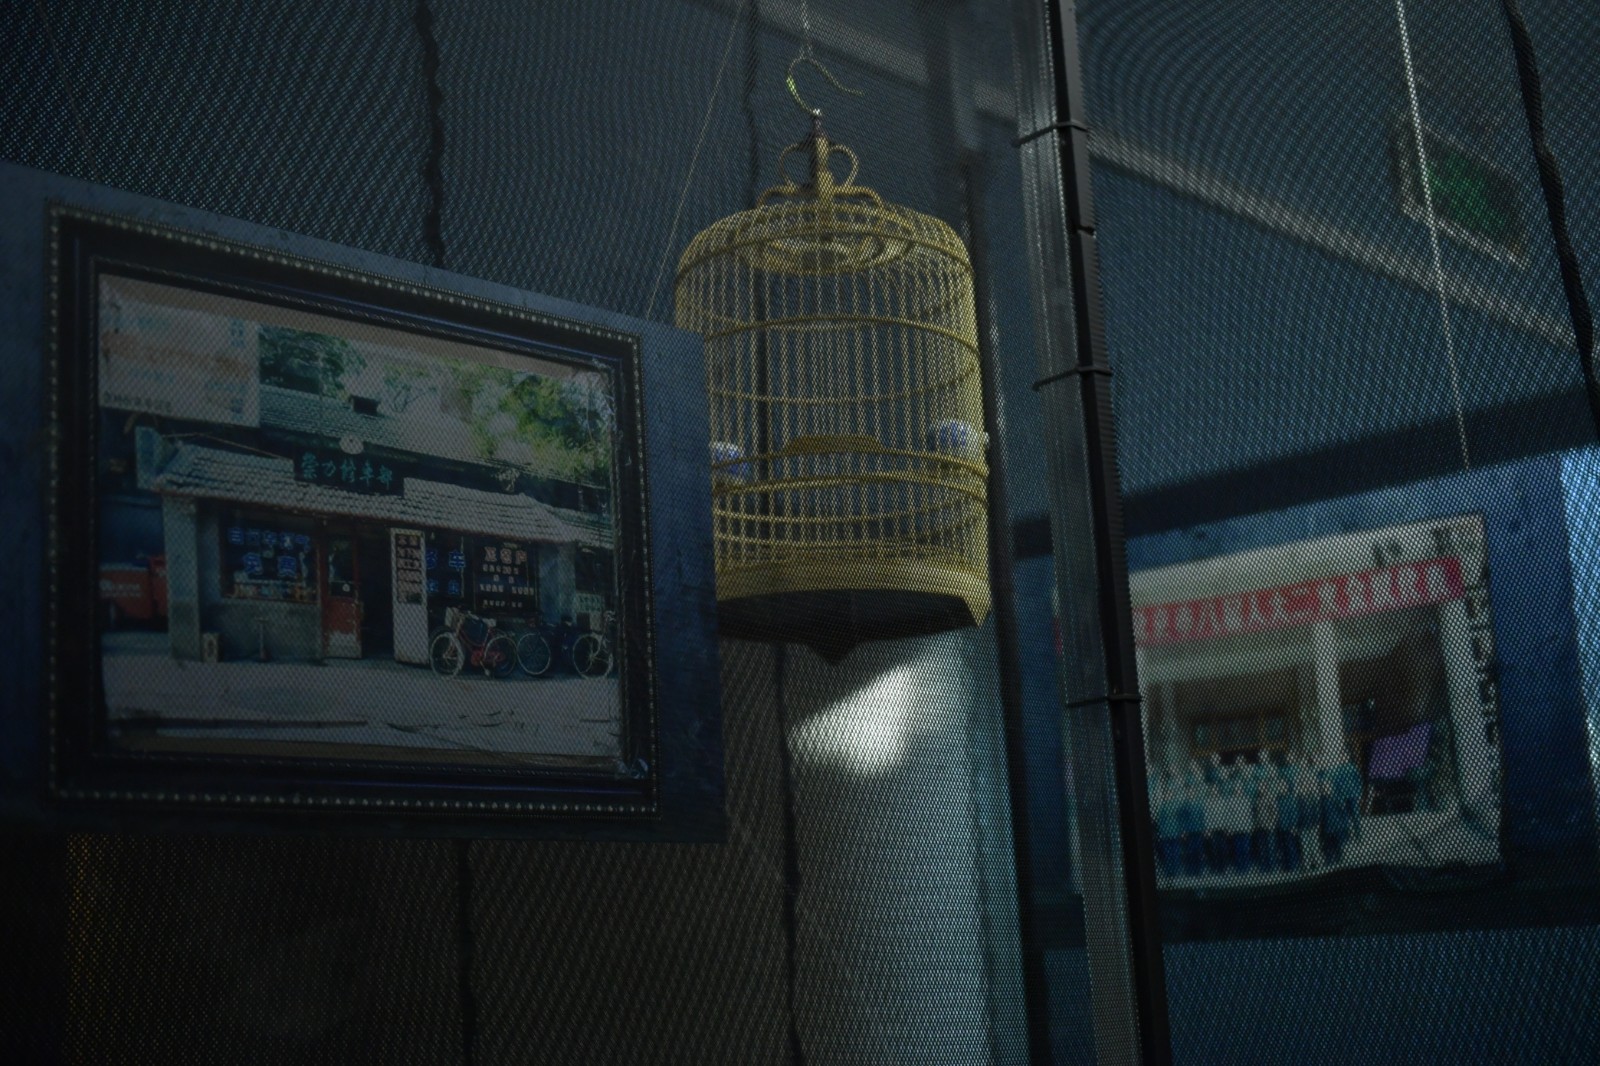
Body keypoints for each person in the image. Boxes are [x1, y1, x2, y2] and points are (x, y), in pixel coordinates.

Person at [1253, 756, 1281, 874]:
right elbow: (1255, 813)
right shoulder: (1257, 799)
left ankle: (1273, 867)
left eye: (1262, 786)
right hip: (1260, 826)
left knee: (1271, 847)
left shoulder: (1270, 797)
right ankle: (1265, 867)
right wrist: (1256, 824)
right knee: (1263, 847)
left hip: (1269, 826)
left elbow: (1274, 812)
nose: (1260, 788)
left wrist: (1272, 823)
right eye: (1259, 787)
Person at [1297, 761, 1324, 870]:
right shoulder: (1299, 800)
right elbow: (1298, 813)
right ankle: (1307, 865)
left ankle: (1318, 863)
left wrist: (1317, 823)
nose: (1305, 787)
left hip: (1313, 824)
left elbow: (1317, 811)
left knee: (1315, 845)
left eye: (1306, 785)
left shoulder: (1313, 799)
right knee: (1305, 846)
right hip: (1303, 826)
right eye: (1302, 786)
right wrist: (1297, 825)